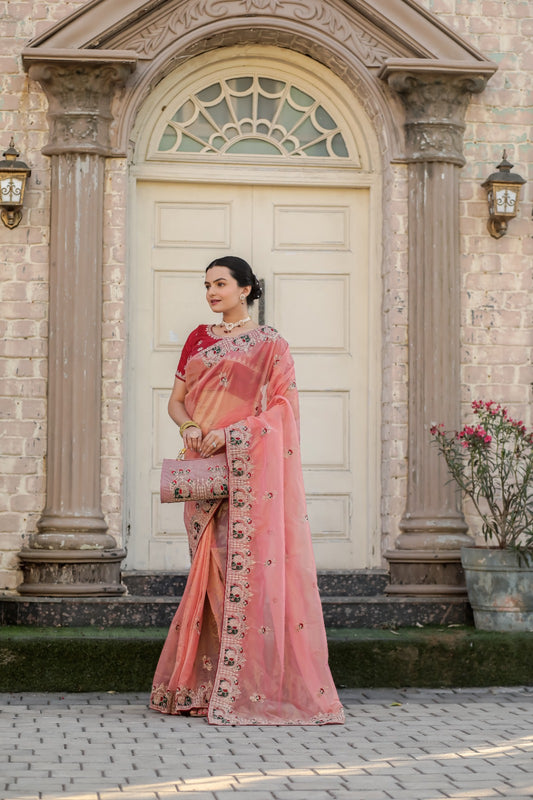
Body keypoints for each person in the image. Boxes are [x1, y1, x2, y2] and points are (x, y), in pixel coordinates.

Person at [150, 256, 344, 726]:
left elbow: (283, 408)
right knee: (211, 569)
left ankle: (248, 687)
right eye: (207, 285)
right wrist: (193, 425)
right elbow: (176, 402)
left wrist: (234, 434)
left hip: (247, 468)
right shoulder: (197, 340)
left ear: (246, 289)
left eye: (220, 284)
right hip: (203, 472)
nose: (212, 292)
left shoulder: (272, 345)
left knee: (247, 571)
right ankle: (205, 684)